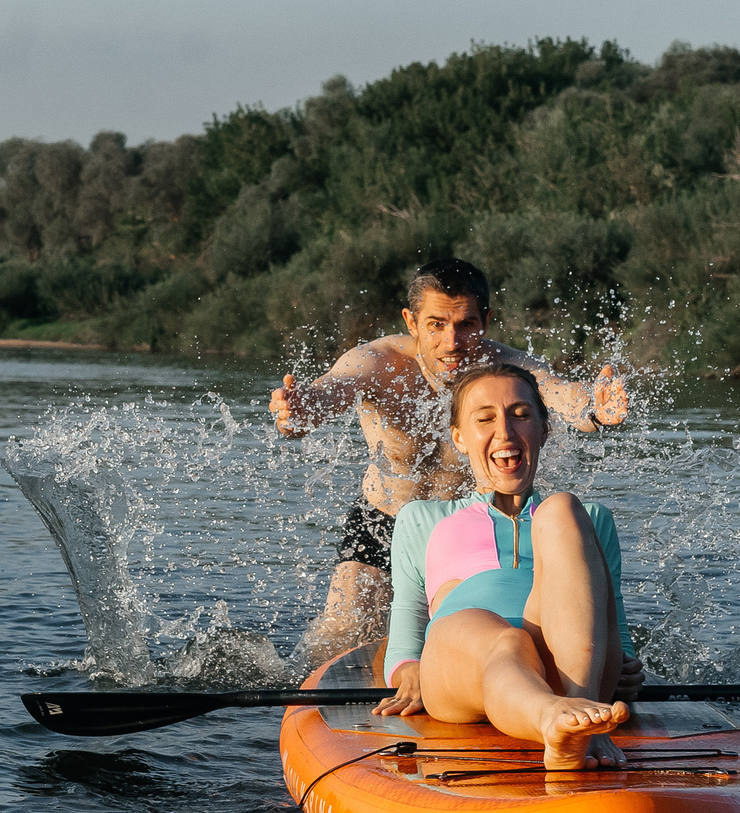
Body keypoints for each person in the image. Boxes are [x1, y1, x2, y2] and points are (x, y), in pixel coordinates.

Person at [267, 257, 630, 667]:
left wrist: (596, 409)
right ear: (411, 321)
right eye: (436, 324)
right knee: (339, 631)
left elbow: (560, 394)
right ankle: (294, 695)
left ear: (486, 321)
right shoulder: (378, 363)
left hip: (466, 529)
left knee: (481, 628)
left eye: (466, 325)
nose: (451, 341)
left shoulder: (504, 369)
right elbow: (325, 396)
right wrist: (298, 412)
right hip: (382, 522)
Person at [383, 360, 634, 768]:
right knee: (508, 642)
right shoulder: (422, 518)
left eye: (520, 415)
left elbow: (615, 627)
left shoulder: (588, 518)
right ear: (459, 438)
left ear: (544, 430)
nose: (505, 431)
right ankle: (558, 719)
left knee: (562, 506)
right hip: (464, 666)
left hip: (571, 666)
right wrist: (407, 669)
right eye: (485, 419)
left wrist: (627, 668)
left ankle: (574, 715)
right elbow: (407, 619)